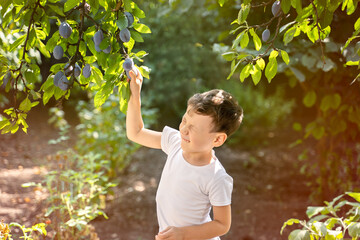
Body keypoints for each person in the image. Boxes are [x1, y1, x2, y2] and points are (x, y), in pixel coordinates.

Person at [126, 67, 243, 240]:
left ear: (217, 140)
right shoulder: (175, 143)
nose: (183, 130)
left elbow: (222, 224)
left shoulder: (216, 177)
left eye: (193, 128)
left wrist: (183, 234)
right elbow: (135, 133)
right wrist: (135, 95)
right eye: (184, 121)